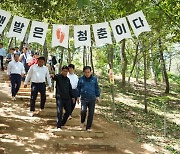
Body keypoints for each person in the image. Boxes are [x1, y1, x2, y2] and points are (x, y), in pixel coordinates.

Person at [77, 66, 100, 131]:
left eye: (88, 72)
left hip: (92, 98)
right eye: (86, 72)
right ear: (84, 72)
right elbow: (78, 88)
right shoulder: (81, 79)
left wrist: (98, 96)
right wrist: (77, 96)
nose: (87, 74)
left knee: (91, 113)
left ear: (91, 72)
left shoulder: (94, 79)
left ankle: (88, 127)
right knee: (83, 111)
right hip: (84, 98)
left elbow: (96, 88)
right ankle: (82, 121)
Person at [51, 65, 75, 130]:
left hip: (67, 98)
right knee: (59, 111)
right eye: (64, 71)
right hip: (59, 97)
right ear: (62, 71)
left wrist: (72, 97)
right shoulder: (58, 77)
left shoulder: (68, 79)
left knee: (68, 111)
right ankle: (58, 126)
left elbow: (70, 89)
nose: (65, 72)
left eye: (66, 71)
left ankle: (62, 123)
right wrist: (52, 76)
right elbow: (54, 77)